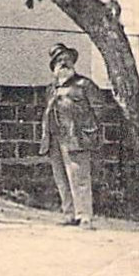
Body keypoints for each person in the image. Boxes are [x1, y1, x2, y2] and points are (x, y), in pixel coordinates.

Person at [41, 43, 101, 229]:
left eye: (67, 59)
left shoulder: (84, 85)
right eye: (59, 61)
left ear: (73, 62)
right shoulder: (51, 89)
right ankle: (69, 214)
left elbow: (100, 110)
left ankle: (84, 217)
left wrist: (87, 130)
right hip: (54, 139)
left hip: (76, 138)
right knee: (61, 178)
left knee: (79, 177)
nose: (64, 63)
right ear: (54, 67)